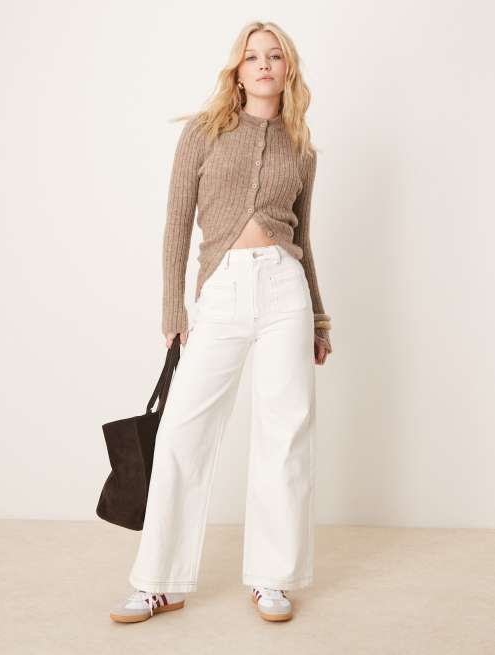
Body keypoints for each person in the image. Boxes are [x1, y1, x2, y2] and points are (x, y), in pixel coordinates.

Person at [110, 20, 332, 625]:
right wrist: (172, 308)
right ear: (237, 69)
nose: (263, 65)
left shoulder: (301, 147)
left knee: (285, 433)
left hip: (285, 289)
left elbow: (305, 239)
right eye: (252, 56)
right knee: (182, 431)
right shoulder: (204, 133)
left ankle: (272, 579)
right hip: (223, 290)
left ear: (287, 69)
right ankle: (158, 582)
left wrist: (318, 317)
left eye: (274, 56)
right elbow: (176, 223)